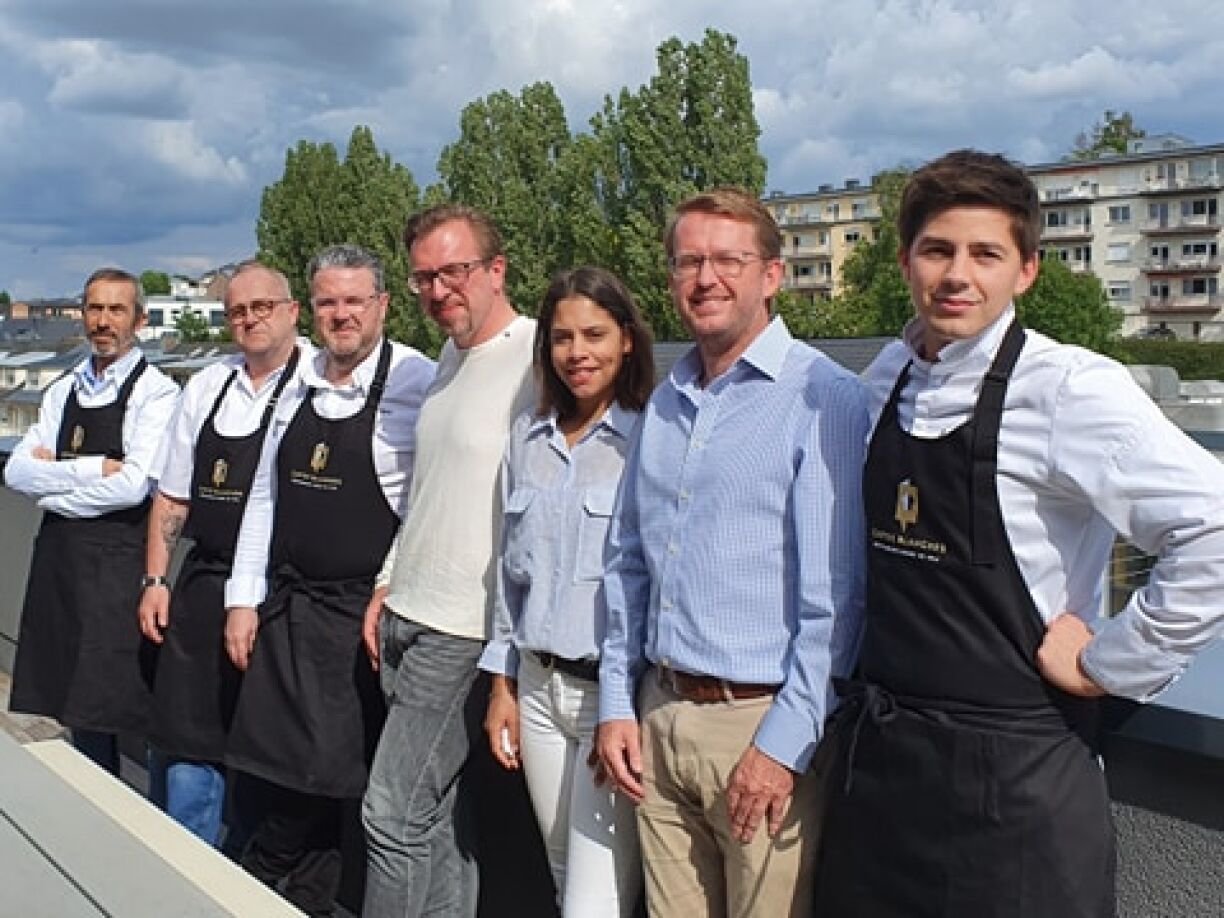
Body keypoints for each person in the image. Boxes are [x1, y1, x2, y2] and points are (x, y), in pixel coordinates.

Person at [814, 149, 1224, 917]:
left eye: (986, 254)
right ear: (905, 261)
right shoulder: (882, 383)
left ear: (1026, 271)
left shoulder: (1069, 388)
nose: (957, 274)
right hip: (883, 782)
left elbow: (1214, 529)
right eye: (937, 250)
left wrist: (1111, 663)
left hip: (1019, 787)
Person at [595, 187, 868, 918]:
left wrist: (782, 747)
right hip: (661, 716)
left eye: (726, 260)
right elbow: (628, 564)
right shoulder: (667, 399)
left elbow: (835, 603)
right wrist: (619, 703)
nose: (705, 278)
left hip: (758, 726)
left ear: (772, 275)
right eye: (688, 261)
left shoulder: (823, 397)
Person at [222, 244, 435, 917]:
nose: (341, 315)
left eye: (354, 300)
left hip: (358, 623)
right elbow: (263, 494)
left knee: (328, 781)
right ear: (311, 309)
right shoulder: (297, 377)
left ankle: (258, 889)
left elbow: (429, 504)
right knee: (278, 779)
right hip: (285, 611)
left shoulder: (417, 381)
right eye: (327, 302)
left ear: (382, 305)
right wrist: (241, 598)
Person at [360, 204, 536, 918]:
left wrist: (509, 654)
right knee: (434, 824)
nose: (438, 291)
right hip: (408, 613)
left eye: (454, 272)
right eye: (424, 277)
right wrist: (385, 582)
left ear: (496, 270)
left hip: (463, 629)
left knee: (390, 815)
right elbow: (434, 491)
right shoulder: (450, 357)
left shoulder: (536, 358)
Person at [480, 266, 655, 917]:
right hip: (537, 688)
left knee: (595, 902)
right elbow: (510, 573)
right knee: (561, 877)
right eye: (562, 338)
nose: (578, 353)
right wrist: (502, 686)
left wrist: (624, 707)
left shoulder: (649, 438)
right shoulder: (528, 439)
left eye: (594, 334)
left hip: (608, 702)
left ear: (628, 340)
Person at [138, 261, 304, 845]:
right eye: (237, 311)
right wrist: (155, 581)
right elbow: (171, 495)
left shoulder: (318, 382)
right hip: (204, 585)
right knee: (185, 744)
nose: (249, 320)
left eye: (262, 307)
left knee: (268, 756)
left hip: (282, 594)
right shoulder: (209, 386)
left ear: (292, 312)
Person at [6, 267, 179, 774]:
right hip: (62, 563)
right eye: (94, 309)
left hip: (119, 568)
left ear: (140, 320)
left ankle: (123, 812)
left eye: (116, 310)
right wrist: (89, 470)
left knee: (115, 696)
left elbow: (134, 486)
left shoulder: (158, 393)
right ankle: (88, 793)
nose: (103, 321)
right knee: (71, 702)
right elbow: (17, 471)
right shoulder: (64, 388)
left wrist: (53, 483)